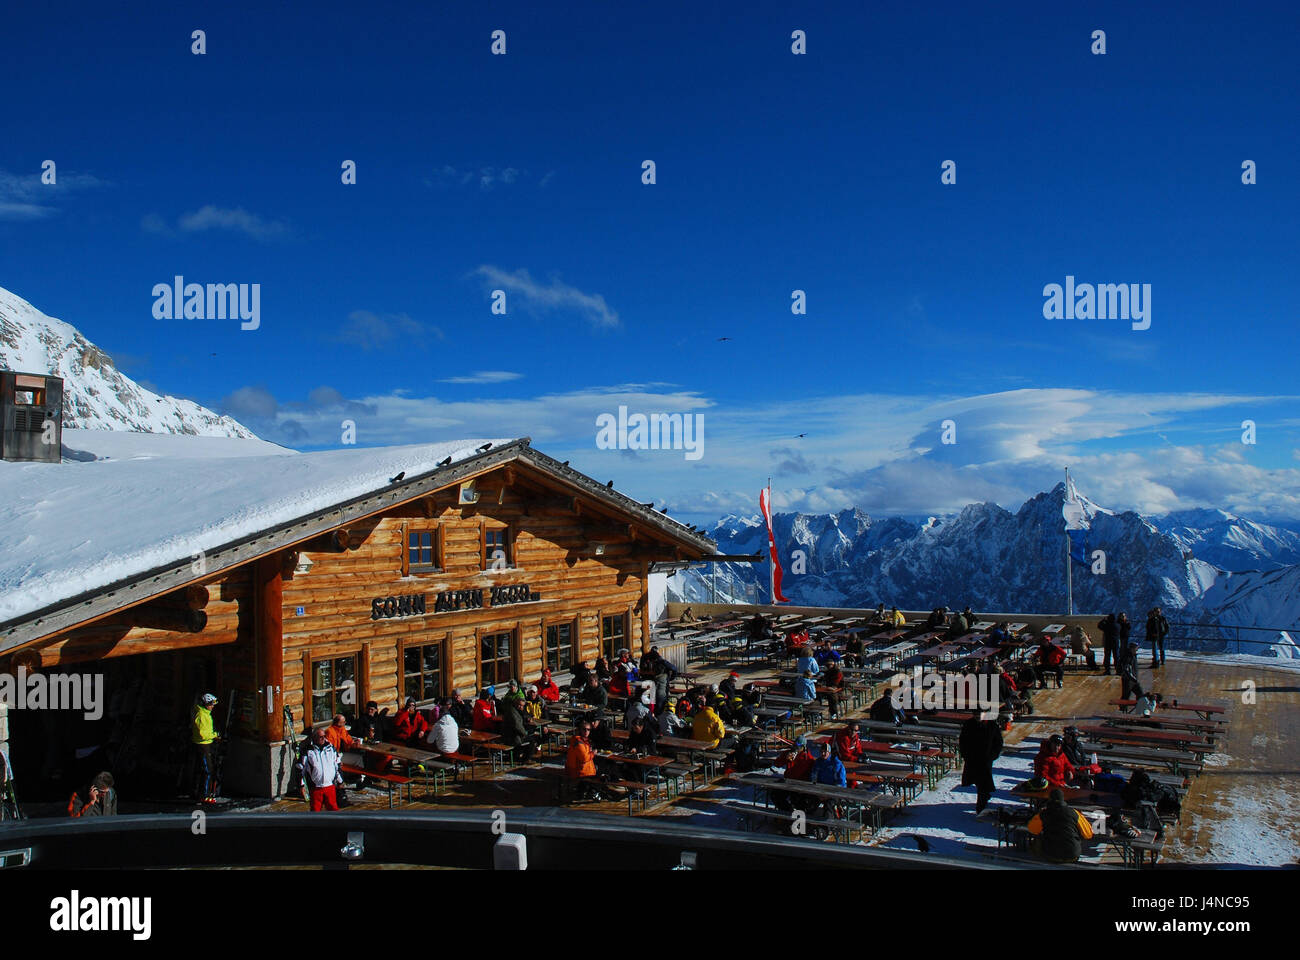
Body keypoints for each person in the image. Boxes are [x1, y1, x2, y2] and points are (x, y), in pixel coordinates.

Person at [1027, 788, 1094, 862]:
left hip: (1050, 855)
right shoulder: (1074, 813)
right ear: (1063, 799)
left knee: (1038, 838)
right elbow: (1088, 834)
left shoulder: (1044, 814)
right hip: (1072, 855)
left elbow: (1032, 829)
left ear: (1049, 799)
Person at [958, 710, 1003, 814]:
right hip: (972, 758)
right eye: (976, 715)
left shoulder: (992, 725)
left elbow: (998, 742)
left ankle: (981, 806)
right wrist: (965, 755)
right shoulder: (969, 724)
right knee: (979, 782)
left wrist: (992, 756)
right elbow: (963, 740)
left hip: (985, 759)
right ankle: (984, 797)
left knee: (983, 782)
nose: (978, 717)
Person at [302, 726, 344, 811]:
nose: (323, 739)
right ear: (314, 738)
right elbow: (300, 769)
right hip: (316, 787)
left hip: (329, 786)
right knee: (315, 810)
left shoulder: (331, 749)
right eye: (320, 737)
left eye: (324, 736)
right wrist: (301, 785)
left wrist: (340, 781)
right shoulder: (308, 751)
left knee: (333, 809)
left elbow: (337, 765)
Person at [191, 692, 221, 801]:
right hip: (202, 745)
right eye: (211, 704)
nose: (212, 706)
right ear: (206, 704)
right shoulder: (202, 715)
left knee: (203, 769)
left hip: (205, 744)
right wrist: (214, 735)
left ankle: (199, 793)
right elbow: (203, 734)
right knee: (207, 770)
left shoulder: (205, 713)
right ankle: (203, 795)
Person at [498, 694, 536, 763]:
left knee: (530, 735)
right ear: (516, 704)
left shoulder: (515, 710)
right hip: (512, 736)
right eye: (520, 705)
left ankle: (519, 755)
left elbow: (524, 716)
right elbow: (517, 725)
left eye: (522, 706)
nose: (521, 707)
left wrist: (527, 718)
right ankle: (526, 759)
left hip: (512, 734)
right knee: (532, 740)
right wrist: (524, 733)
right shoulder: (512, 712)